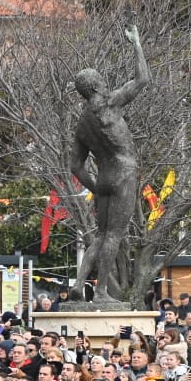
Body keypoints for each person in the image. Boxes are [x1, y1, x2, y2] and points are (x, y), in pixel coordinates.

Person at [70, 24, 150, 303]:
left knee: (101, 234)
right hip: (123, 173)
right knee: (114, 236)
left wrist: (95, 187)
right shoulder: (108, 104)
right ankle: (101, 292)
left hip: (103, 177)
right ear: (95, 86)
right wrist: (136, 44)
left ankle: (79, 284)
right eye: (102, 81)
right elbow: (142, 79)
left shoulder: (82, 124)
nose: (106, 84)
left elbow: (76, 166)